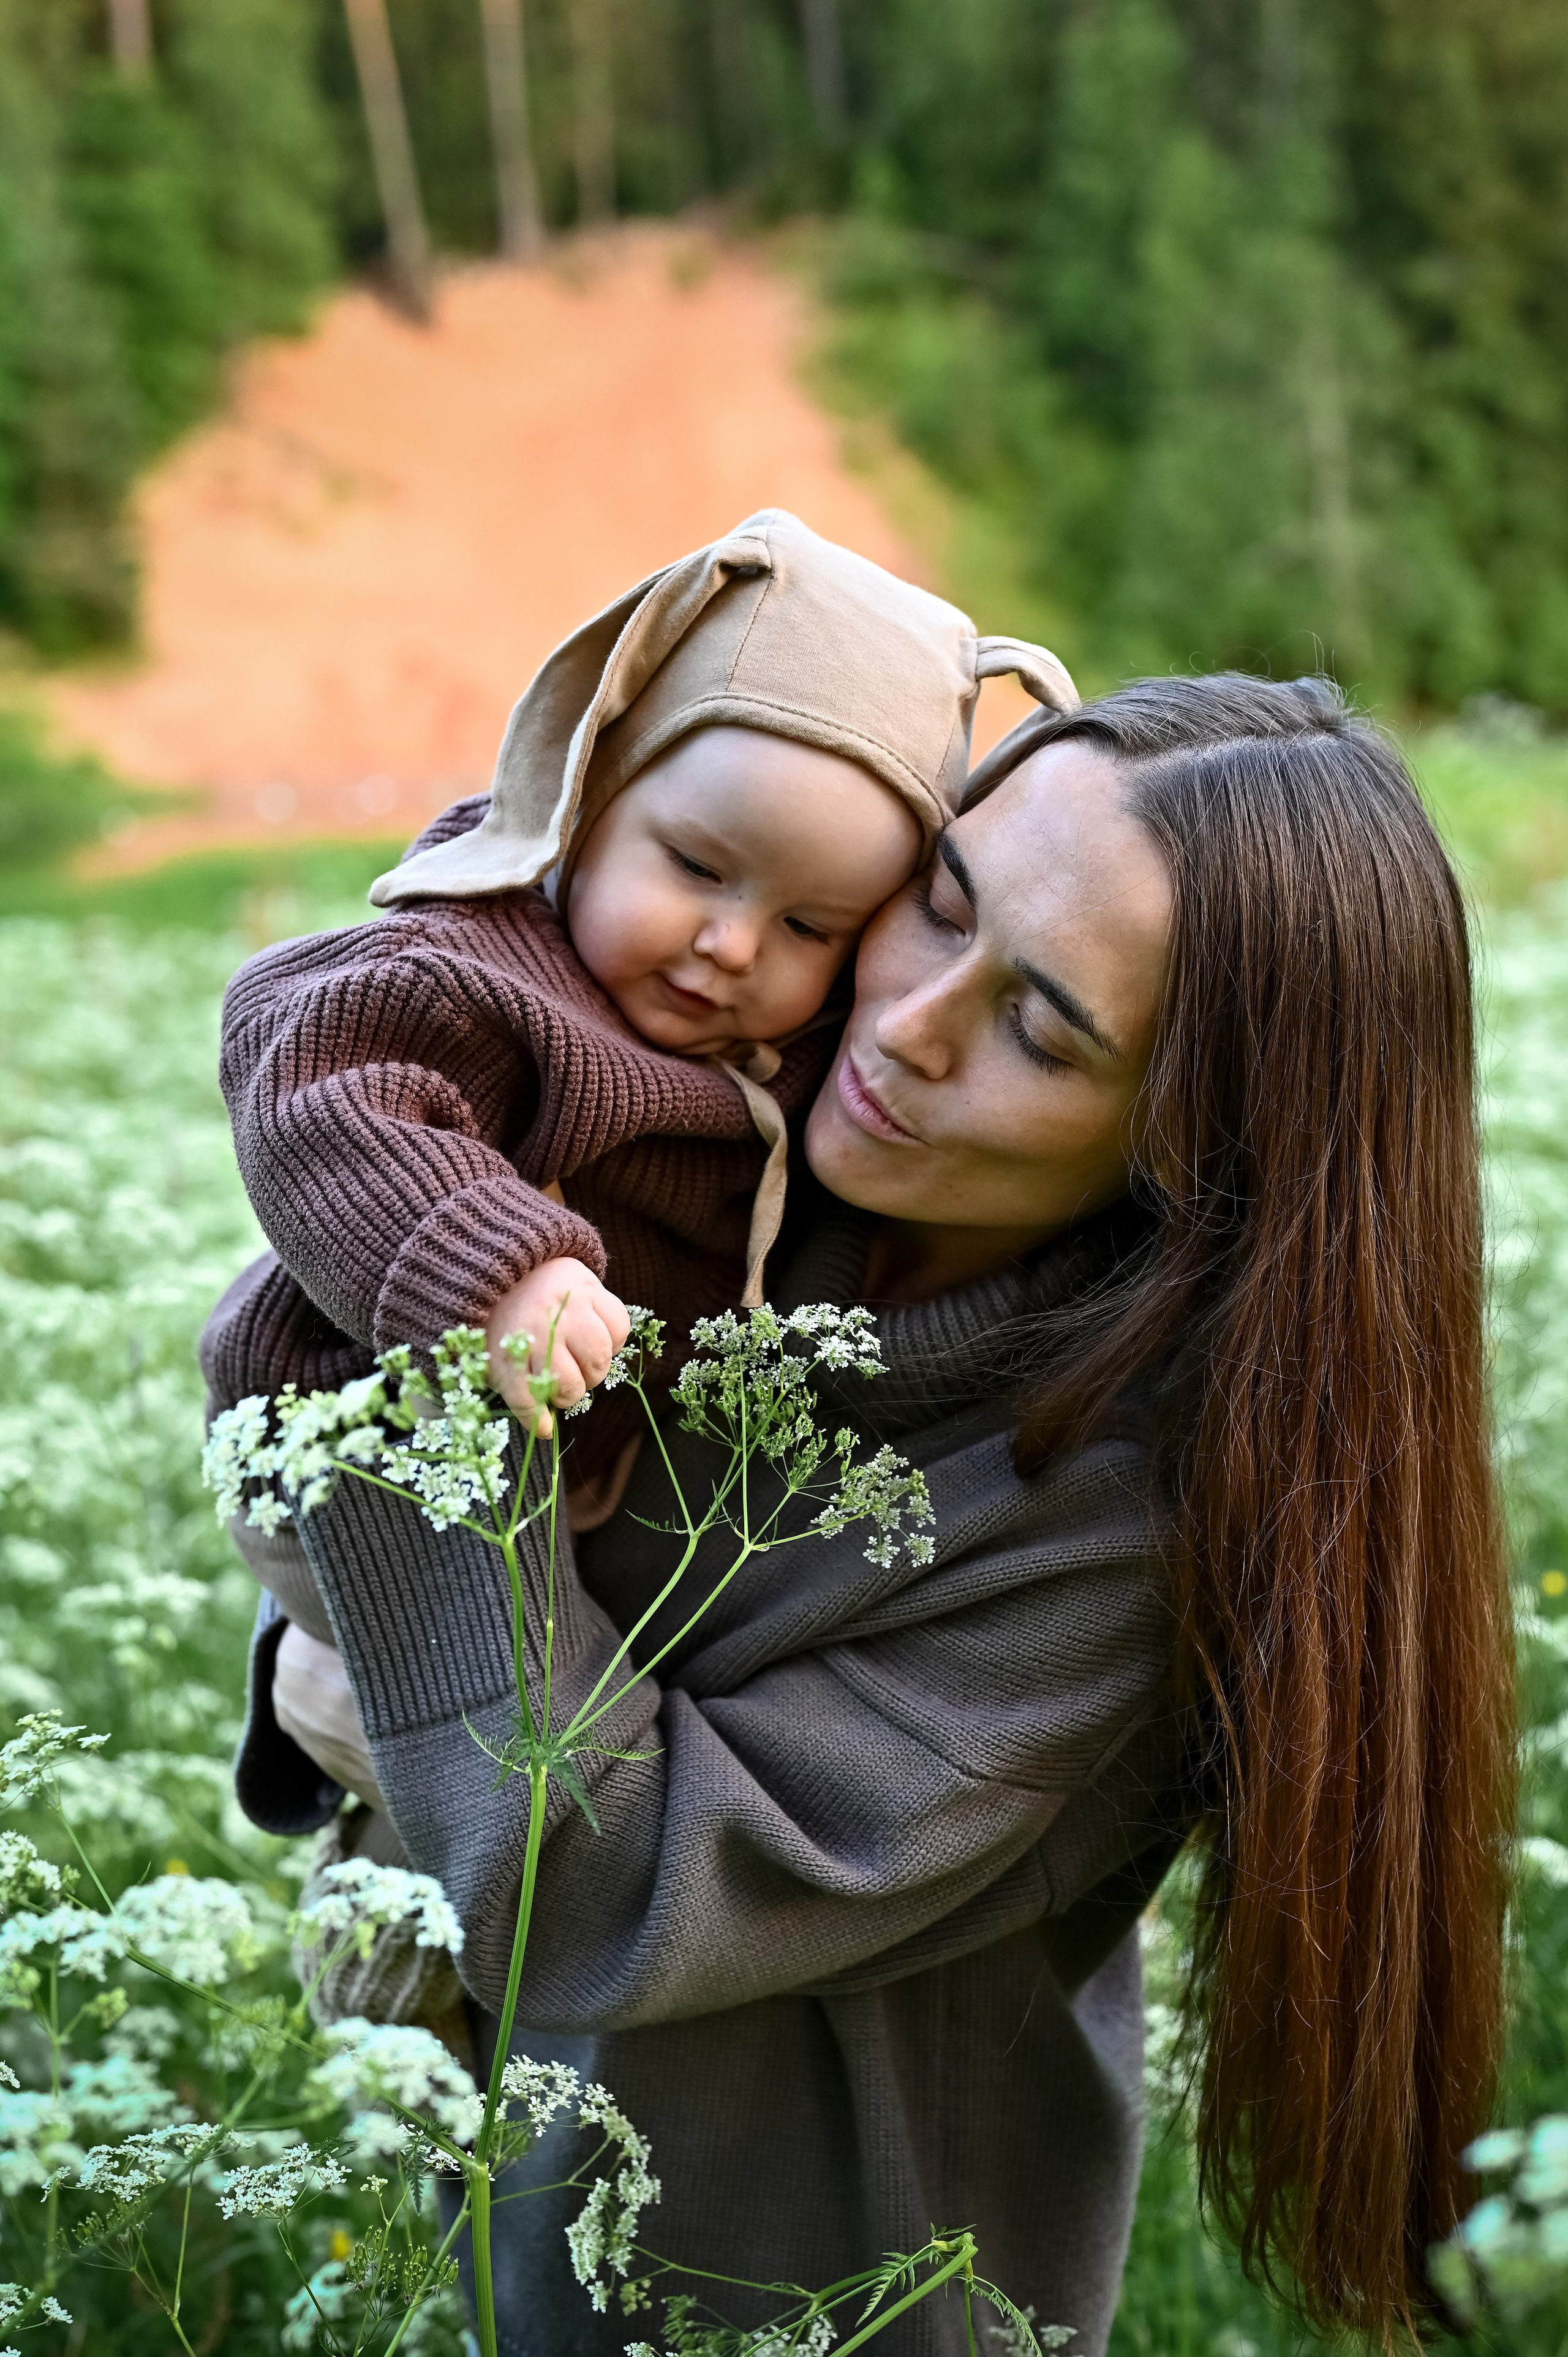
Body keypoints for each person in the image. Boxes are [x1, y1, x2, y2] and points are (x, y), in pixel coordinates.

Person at [234, 674, 1513, 2354]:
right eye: (942, 905)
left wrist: (405, 1427)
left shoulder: (1136, 1537)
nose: (909, 1023)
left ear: (1198, 1144)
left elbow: (592, 1890)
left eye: (1042, 1031)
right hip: (499, 2256)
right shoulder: (726, 1223)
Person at [202, 507, 1075, 1795]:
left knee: (554, 1763)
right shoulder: (469, 968)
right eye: (695, 866)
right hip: (357, 1444)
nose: (731, 945)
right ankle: (353, 1781)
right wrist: (504, 1270)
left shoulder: (792, 1048)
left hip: (573, 1488)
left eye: (810, 926)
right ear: (590, 793)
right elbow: (322, 1087)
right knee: (443, 1758)